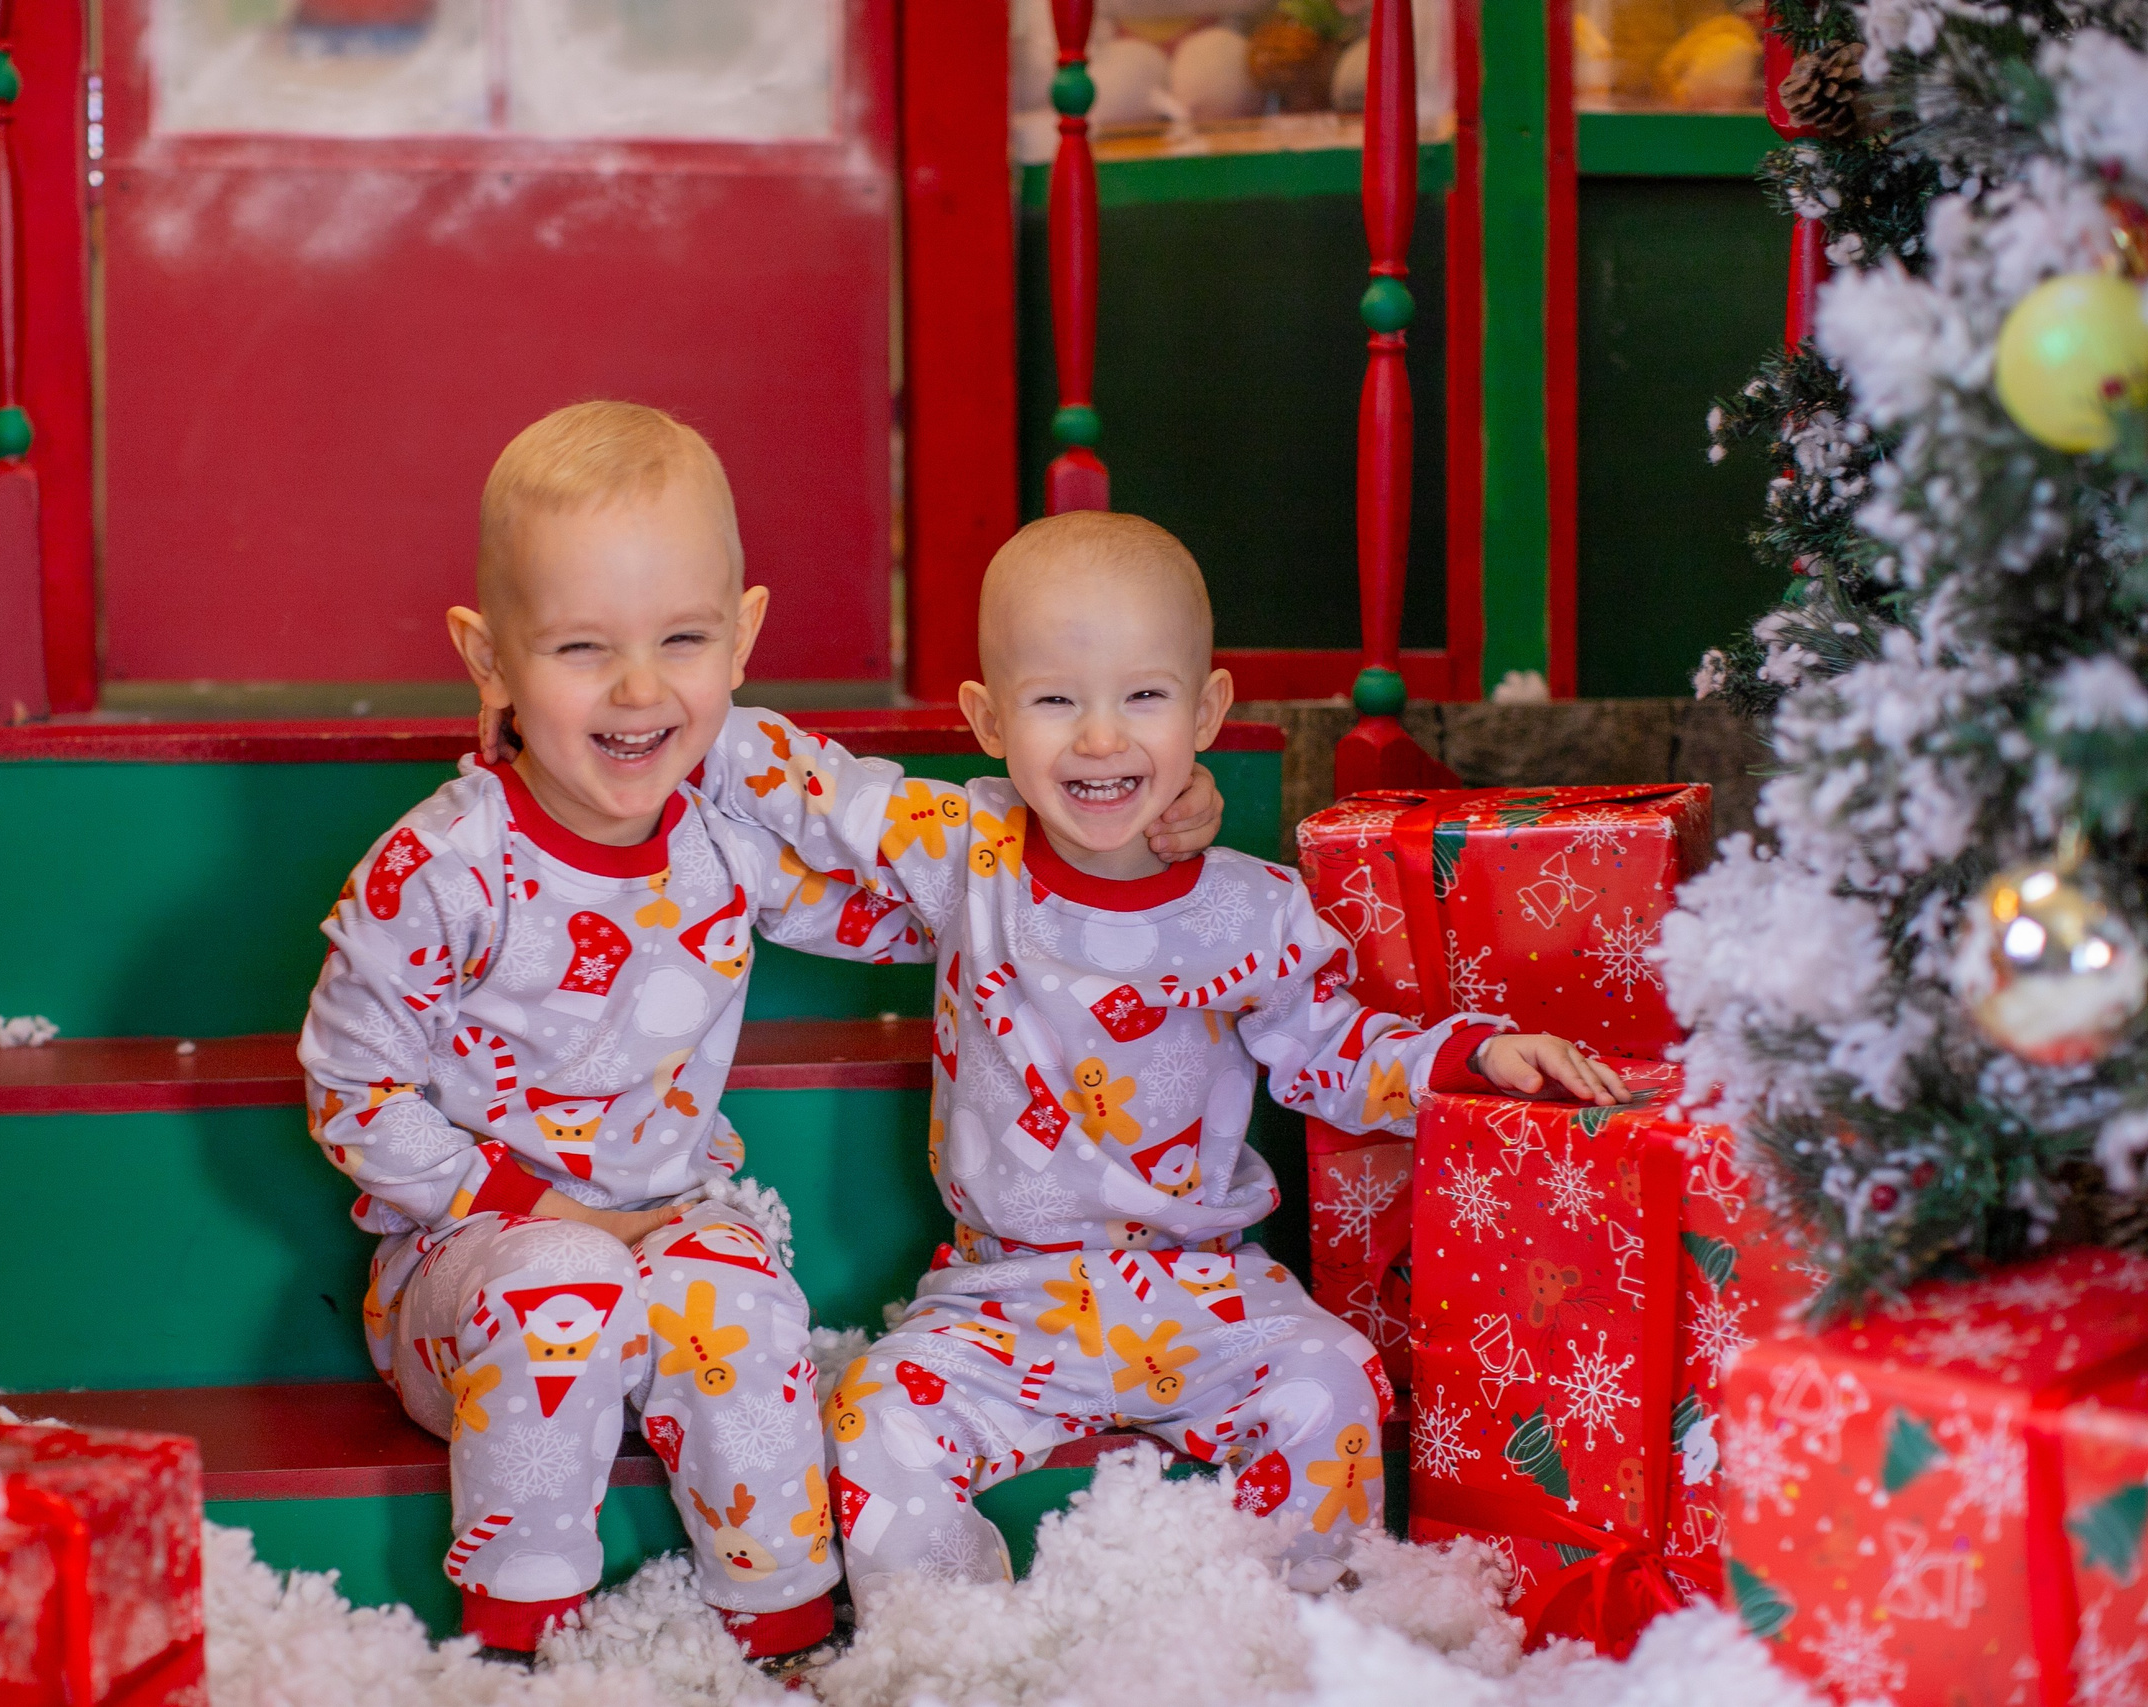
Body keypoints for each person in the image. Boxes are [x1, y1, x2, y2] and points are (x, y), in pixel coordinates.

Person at [297, 404, 1223, 1656]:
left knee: (736, 1294)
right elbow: (355, 1092)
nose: (638, 689)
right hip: (469, 1274)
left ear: (741, 639)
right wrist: (544, 1213)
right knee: (563, 1284)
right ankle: (520, 1640)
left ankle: (778, 1632)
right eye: (580, 648)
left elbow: (942, 905)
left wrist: (1130, 822)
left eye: (682, 639)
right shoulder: (445, 868)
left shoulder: (722, 844)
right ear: (489, 658)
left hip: (668, 1228)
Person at [698, 509, 1625, 1595]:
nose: (1101, 739)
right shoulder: (969, 852)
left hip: (1208, 1289)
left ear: (1207, 711)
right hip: (1004, 1295)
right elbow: (811, 785)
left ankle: (1288, 1636)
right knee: (871, 1420)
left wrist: (1468, 1057)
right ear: (988, 719)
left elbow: (1329, 1048)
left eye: (1143, 696)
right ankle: (962, 1644)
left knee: (1332, 1381)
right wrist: (656, 703)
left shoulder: (1253, 909)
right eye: (1055, 701)